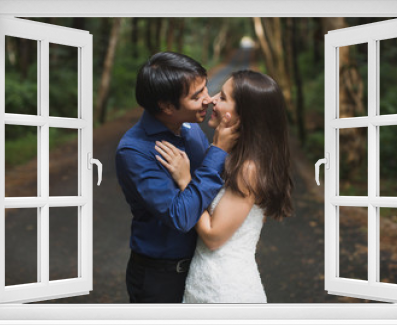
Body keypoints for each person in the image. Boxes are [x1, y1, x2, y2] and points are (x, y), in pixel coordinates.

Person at [155, 70, 295, 303]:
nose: (212, 100)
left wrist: (185, 180)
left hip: (225, 291)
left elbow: (213, 236)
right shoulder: (237, 157)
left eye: (223, 97)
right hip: (207, 281)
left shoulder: (249, 169)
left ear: (242, 115)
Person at [115, 52, 238, 303]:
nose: (208, 100)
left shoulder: (191, 129)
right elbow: (180, 217)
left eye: (205, 89)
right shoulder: (134, 150)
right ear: (166, 106)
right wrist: (218, 151)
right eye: (196, 96)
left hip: (203, 266)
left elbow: (213, 189)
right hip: (162, 276)